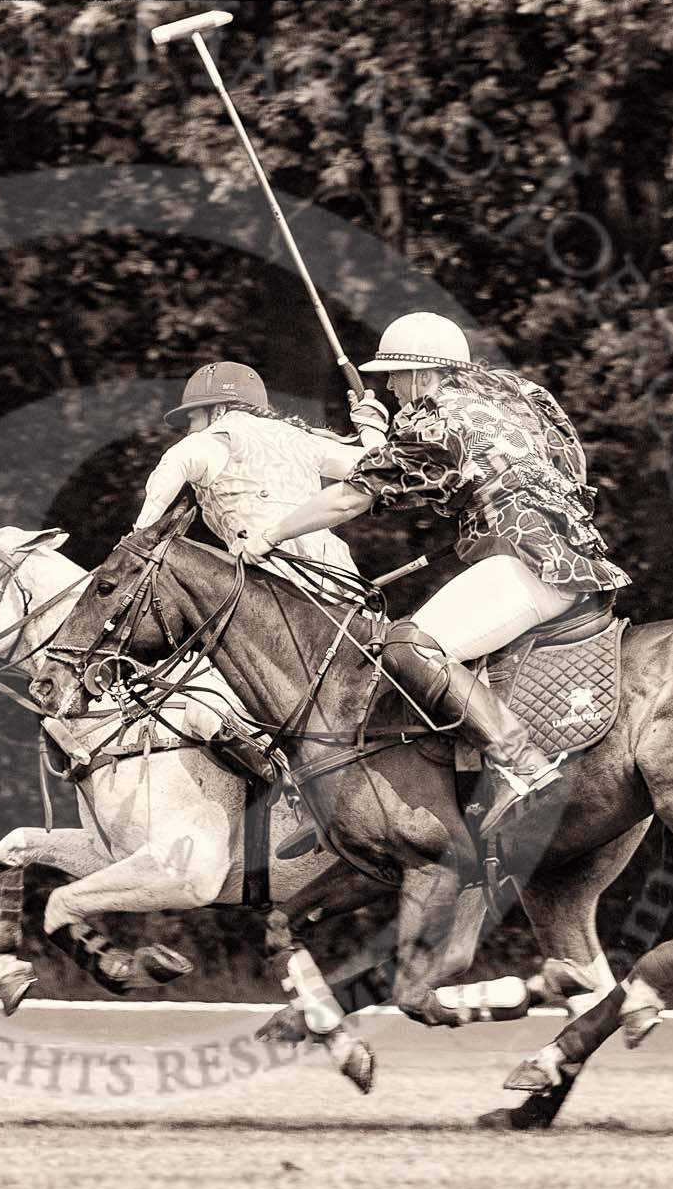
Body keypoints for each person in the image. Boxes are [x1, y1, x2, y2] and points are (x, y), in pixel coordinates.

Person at [230, 313, 631, 841]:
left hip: (531, 564)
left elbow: (354, 494)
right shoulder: (519, 393)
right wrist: (380, 433)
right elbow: (569, 467)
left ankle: (525, 768)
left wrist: (269, 536)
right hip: (578, 551)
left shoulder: (431, 421)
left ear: (421, 374)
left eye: (395, 376)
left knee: (407, 647)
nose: (389, 386)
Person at [132, 359, 388, 755]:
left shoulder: (208, 441)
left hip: (269, 591)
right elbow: (374, 466)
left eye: (192, 417)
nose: (188, 428)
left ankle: (277, 777)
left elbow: (171, 468)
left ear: (217, 409)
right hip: (342, 585)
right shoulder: (301, 438)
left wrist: (140, 535)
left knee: (203, 710)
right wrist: (372, 427)